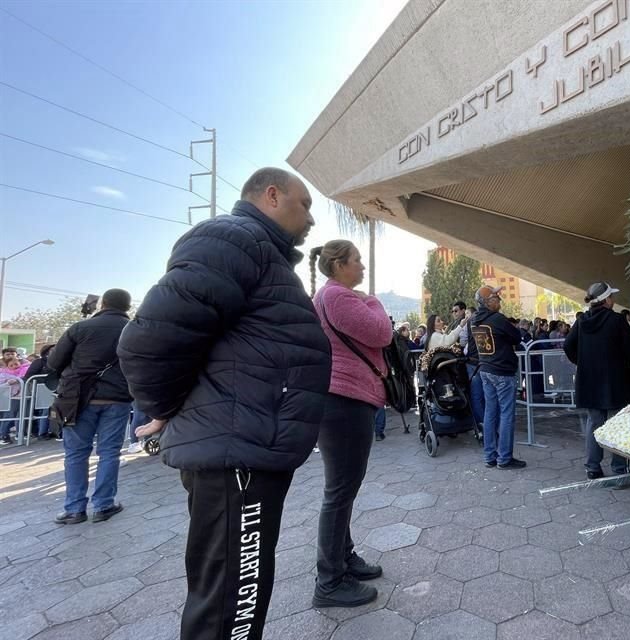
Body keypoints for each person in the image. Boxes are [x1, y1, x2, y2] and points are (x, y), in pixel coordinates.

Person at [118, 167, 332, 640]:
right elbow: (148, 341)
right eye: (306, 203)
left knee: (237, 593)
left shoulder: (257, 251)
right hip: (235, 453)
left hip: (245, 449)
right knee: (230, 604)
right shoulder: (235, 239)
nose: (311, 217)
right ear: (272, 195)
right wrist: (162, 410)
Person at [308, 239, 392, 607]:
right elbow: (382, 333)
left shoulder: (329, 296)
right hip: (344, 400)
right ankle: (329, 581)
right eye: (356, 261)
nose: (361, 266)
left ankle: (344, 559)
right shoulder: (340, 297)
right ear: (339, 265)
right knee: (340, 492)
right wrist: (372, 300)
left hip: (341, 400)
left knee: (342, 490)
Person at [48, 289, 133, 523]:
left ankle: (74, 509)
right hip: (118, 399)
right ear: (127, 307)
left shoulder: (79, 328)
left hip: (77, 399)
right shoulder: (135, 329)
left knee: (76, 453)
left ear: (102, 304)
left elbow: (54, 362)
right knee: (110, 453)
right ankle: (104, 505)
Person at [564, 282, 630, 479]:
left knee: (594, 423)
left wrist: (582, 362)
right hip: (616, 382)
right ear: (606, 300)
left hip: (589, 381)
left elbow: (567, 346)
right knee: (616, 424)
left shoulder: (581, 321)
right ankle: (619, 469)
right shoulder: (616, 320)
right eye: (611, 297)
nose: (613, 300)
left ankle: (592, 467)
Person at [469, 285, 525, 469]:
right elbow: (516, 337)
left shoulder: (474, 320)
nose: (500, 301)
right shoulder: (498, 319)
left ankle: (490, 456)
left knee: (490, 413)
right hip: (502, 371)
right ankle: (504, 458)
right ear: (489, 302)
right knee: (507, 414)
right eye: (497, 298)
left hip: (485, 369)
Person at [23, 344, 55, 439]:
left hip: (57, 389)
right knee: (45, 410)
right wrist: (47, 381)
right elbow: (29, 375)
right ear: (46, 352)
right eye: (53, 349)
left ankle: (54, 431)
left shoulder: (62, 361)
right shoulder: (39, 362)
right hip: (42, 389)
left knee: (54, 411)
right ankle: (42, 432)